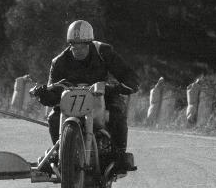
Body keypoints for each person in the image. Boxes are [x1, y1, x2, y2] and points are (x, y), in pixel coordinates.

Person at [30, 20, 139, 172]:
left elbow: (130, 78)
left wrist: (110, 87)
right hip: (70, 102)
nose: (78, 48)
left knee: (116, 114)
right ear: (69, 44)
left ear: (90, 42)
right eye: (74, 44)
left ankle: (119, 155)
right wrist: (42, 93)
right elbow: (52, 96)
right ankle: (59, 152)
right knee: (53, 118)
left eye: (83, 44)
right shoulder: (59, 62)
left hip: (101, 97)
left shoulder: (103, 52)